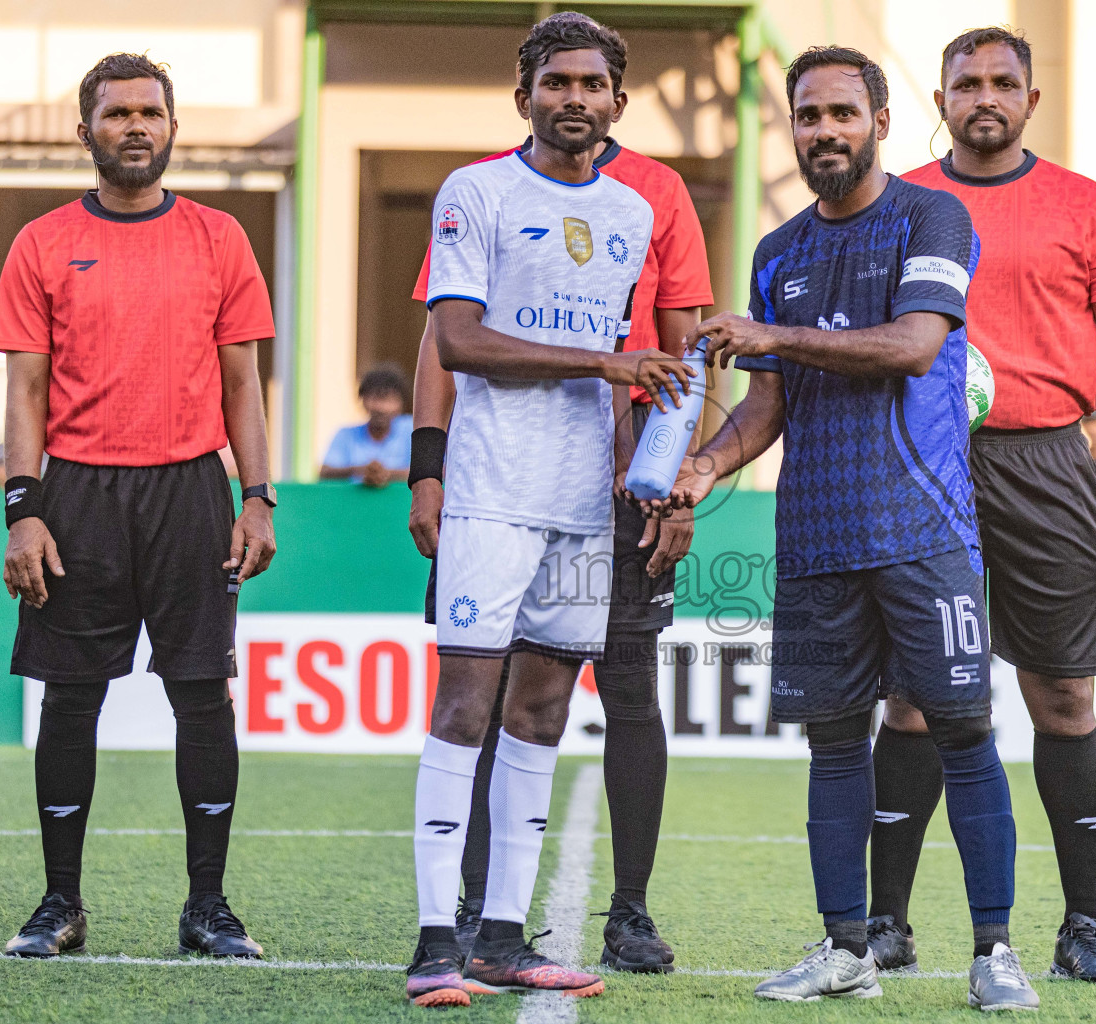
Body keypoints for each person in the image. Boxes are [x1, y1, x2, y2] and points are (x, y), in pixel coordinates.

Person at [644, 46, 1039, 1010]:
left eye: (841, 113)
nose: (824, 130)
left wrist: (771, 335)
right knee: (831, 746)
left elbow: (913, 347)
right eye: (808, 115)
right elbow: (765, 408)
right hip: (816, 538)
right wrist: (705, 464)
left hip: (923, 527)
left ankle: (994, 952)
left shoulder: (930, 216)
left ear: (880, 122)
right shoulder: (777, 253)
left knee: (962, 731)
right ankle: (845, 948)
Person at [400, 14, 693, 1008]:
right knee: (467, 704)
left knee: (541, 710)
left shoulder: (633, 215)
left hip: (582, 505)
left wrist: (655, 472)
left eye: (593, 84)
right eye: (556, 82)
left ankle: (500, 938)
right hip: (490, 491)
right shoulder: (473, 192)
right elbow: (462, 341)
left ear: (619, 99)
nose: (575, 98)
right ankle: (435, 941)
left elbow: (653, 374)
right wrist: (605, 360)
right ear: (523, 95)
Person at [870, 26, 1096, 983]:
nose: (985, 96)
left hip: (1052, 459)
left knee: (1064, 697)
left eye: (1004, 81)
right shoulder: (903, 205)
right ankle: (886, 924)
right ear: (943, 100)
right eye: (967, 83)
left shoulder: (1084, 207)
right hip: (926, 462)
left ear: (1031, 100)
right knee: (915, 699)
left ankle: (1084, 926)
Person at [0, 53, 277, 959]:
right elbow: (26, 394)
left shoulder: (220, 238)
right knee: (71, 701)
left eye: (150, 111)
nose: (135, 126)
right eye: (116, 114)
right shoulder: (39, 242)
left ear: (173, 127)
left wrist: (257, 496)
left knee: (202, 694)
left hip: (190, 488)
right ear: (87, 133)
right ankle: (60, 904)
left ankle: (208, 907)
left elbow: (245, 385)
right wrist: (23, 510)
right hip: (75, 493)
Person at [320, 363, 414, 487]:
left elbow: (439, 471)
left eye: (389, 400)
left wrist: (386, 474)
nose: (382, 408)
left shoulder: (413, 429)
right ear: (363, 400)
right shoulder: (346, 434)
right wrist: (361, 470)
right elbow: (325, 472)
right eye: (375, 398)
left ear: (402, 403)